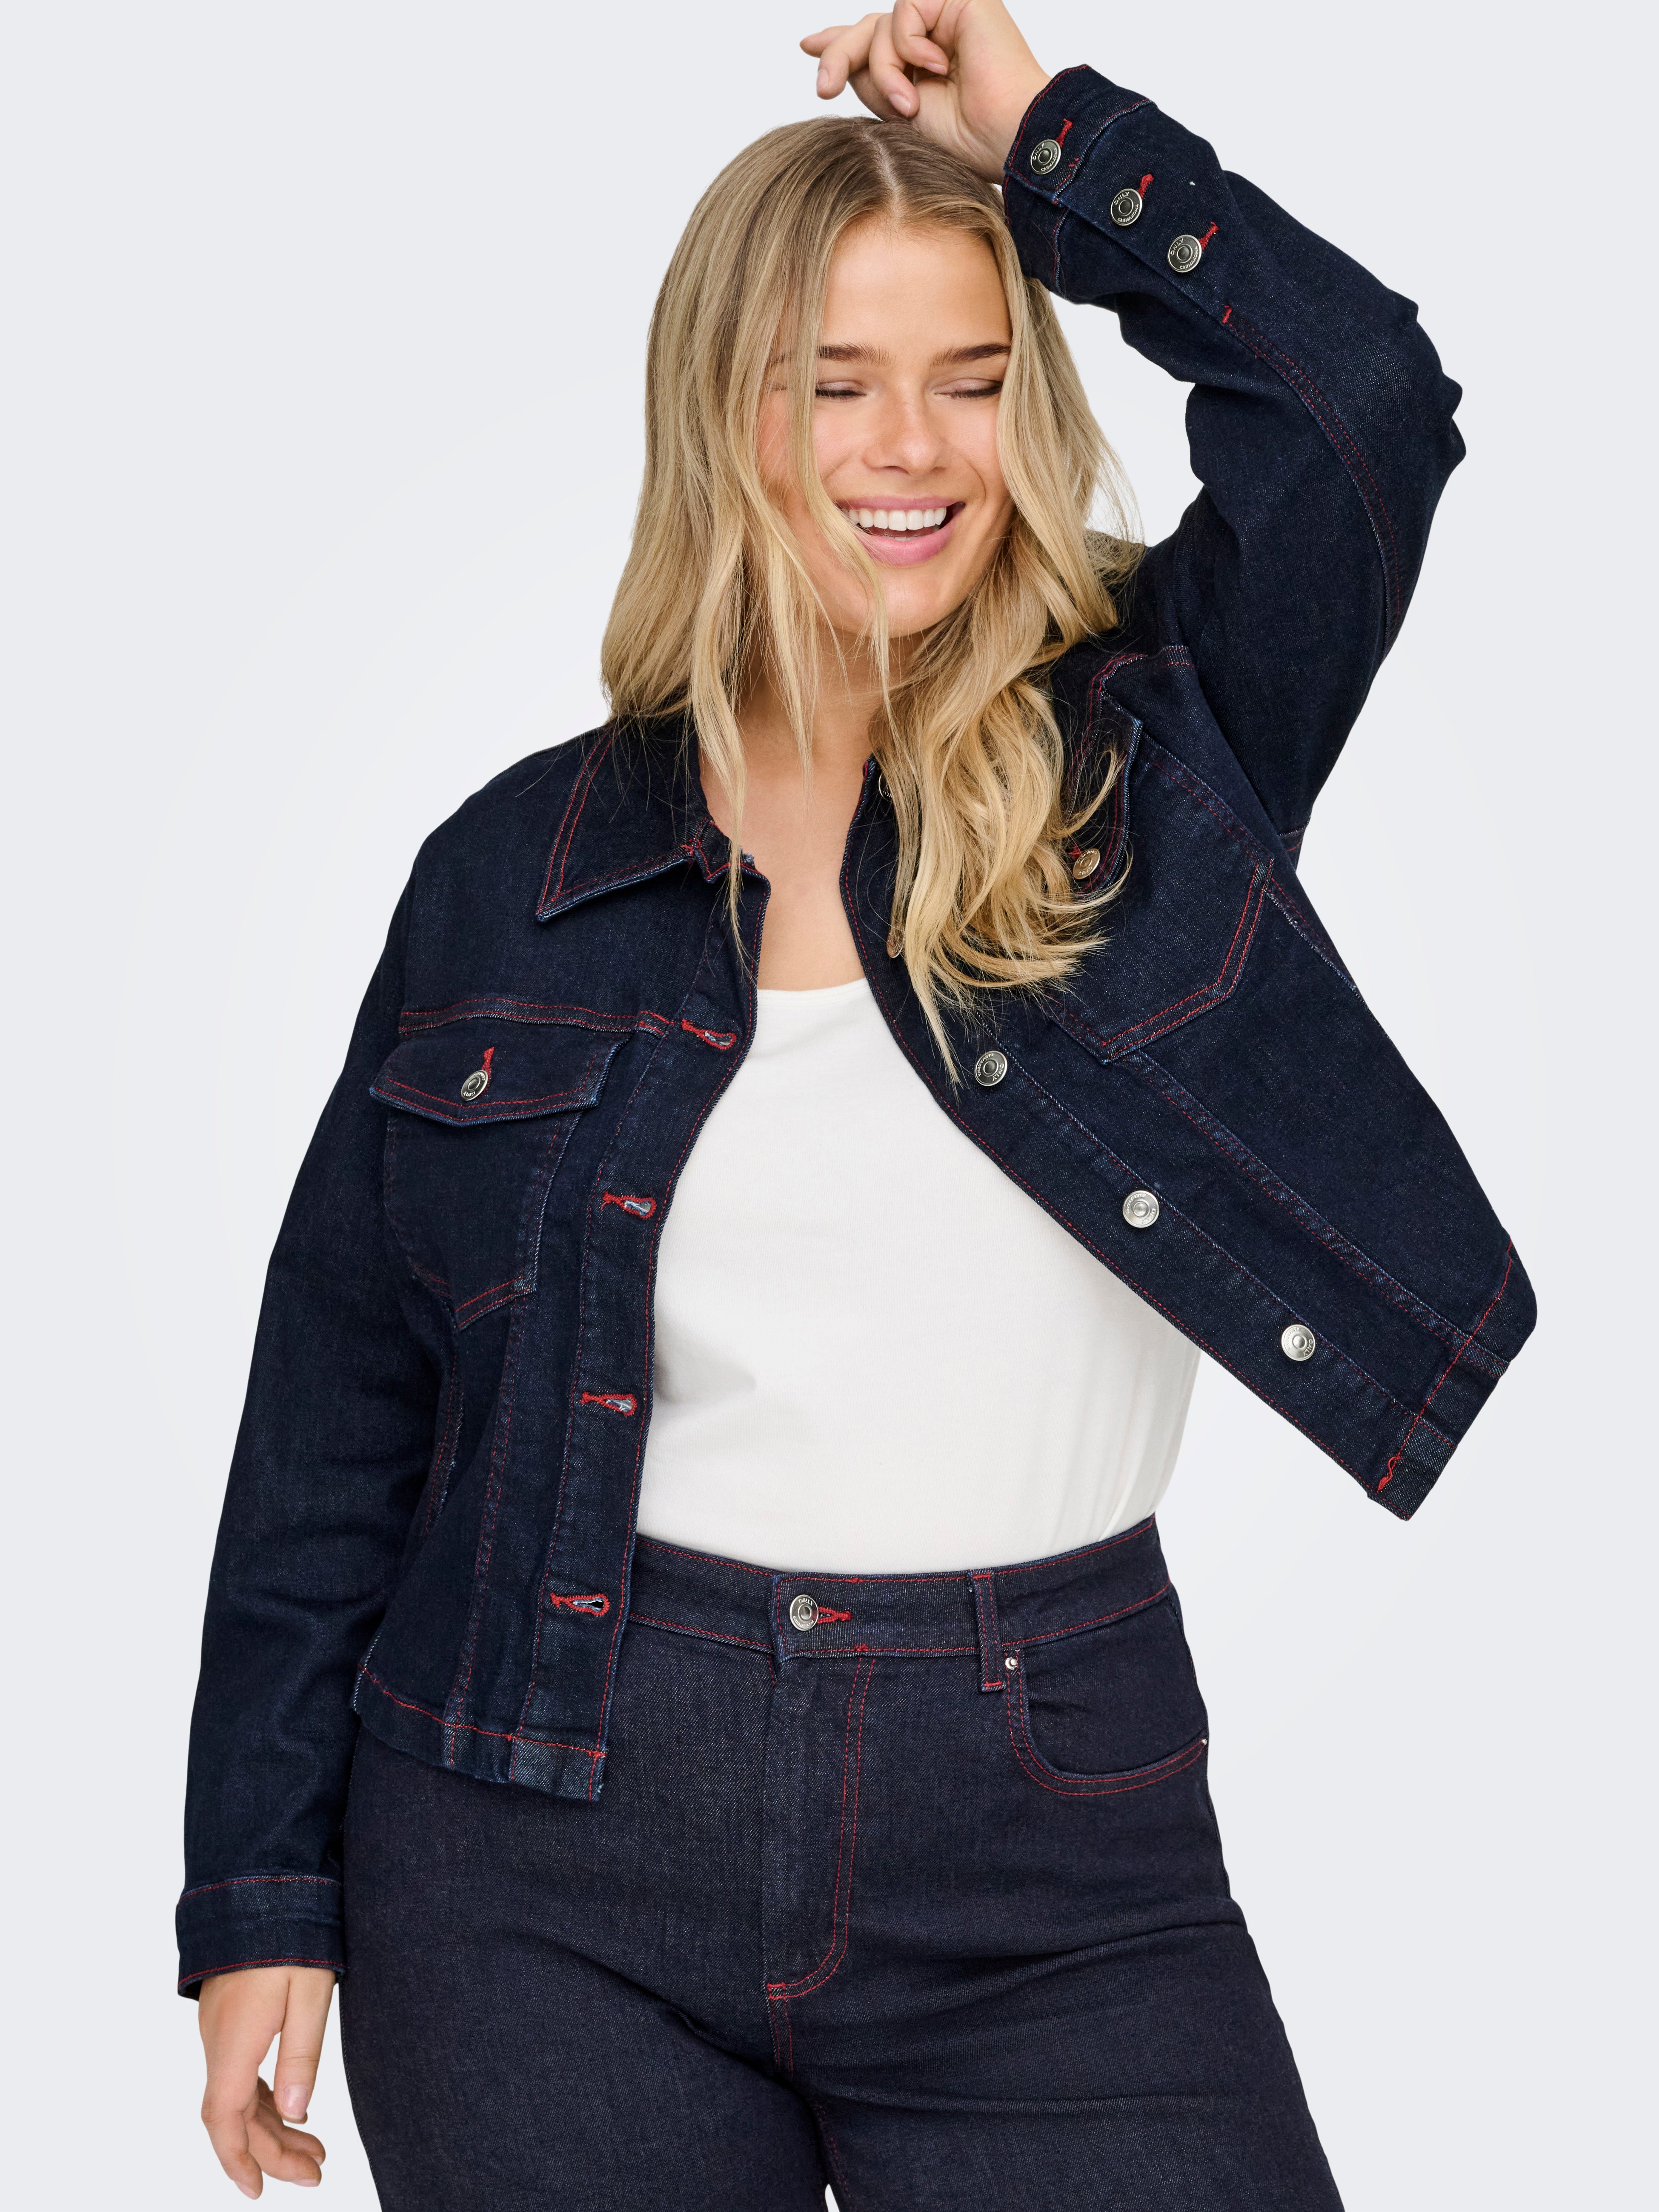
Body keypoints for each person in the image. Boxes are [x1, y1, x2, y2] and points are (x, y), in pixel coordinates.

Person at [180, 4, 1535, 2204]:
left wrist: (1046, 137)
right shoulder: (515, 877)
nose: (915, 448)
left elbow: (1366, 407)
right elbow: (342, 1406)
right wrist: (260, 1893)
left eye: (973, 379)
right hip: (536, 1835)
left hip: (1059, 1837)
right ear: (725, 412)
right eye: (836, 382)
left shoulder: (1154, 767)